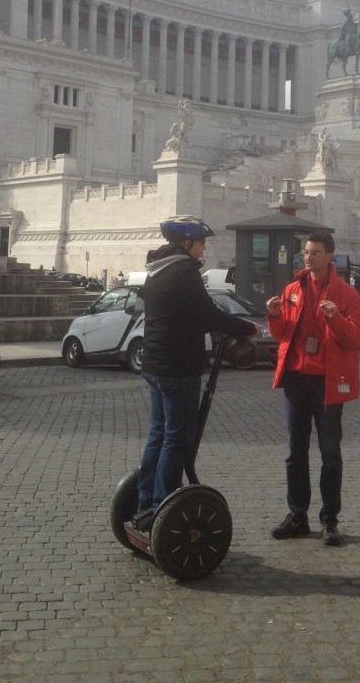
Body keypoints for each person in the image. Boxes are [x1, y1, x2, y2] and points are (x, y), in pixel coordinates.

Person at [133, 215, 259, 531]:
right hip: (178, 367)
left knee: (159, 432)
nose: (203, 250)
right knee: (177, 437)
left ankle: (146, 501)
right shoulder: (183, 272)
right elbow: (207, 315)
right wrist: (246, 327)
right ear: (186, 243)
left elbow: (186, 315)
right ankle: (163, 505)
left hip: (155, 364)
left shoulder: (156, 272)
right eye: (201, 243)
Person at [266, 230, 360, 546]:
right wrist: (273, 315)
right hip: (296, 380)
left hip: (328, 383)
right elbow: (283, 334)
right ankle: (297, 515)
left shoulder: (347, 295)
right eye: (306, 252)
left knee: (330, 453)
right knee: (295, 452)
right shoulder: (293, 290)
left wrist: (334, 318)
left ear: (329, 257)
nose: (308, 257)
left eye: (315, 252)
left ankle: (330, 519)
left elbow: (355, 339)